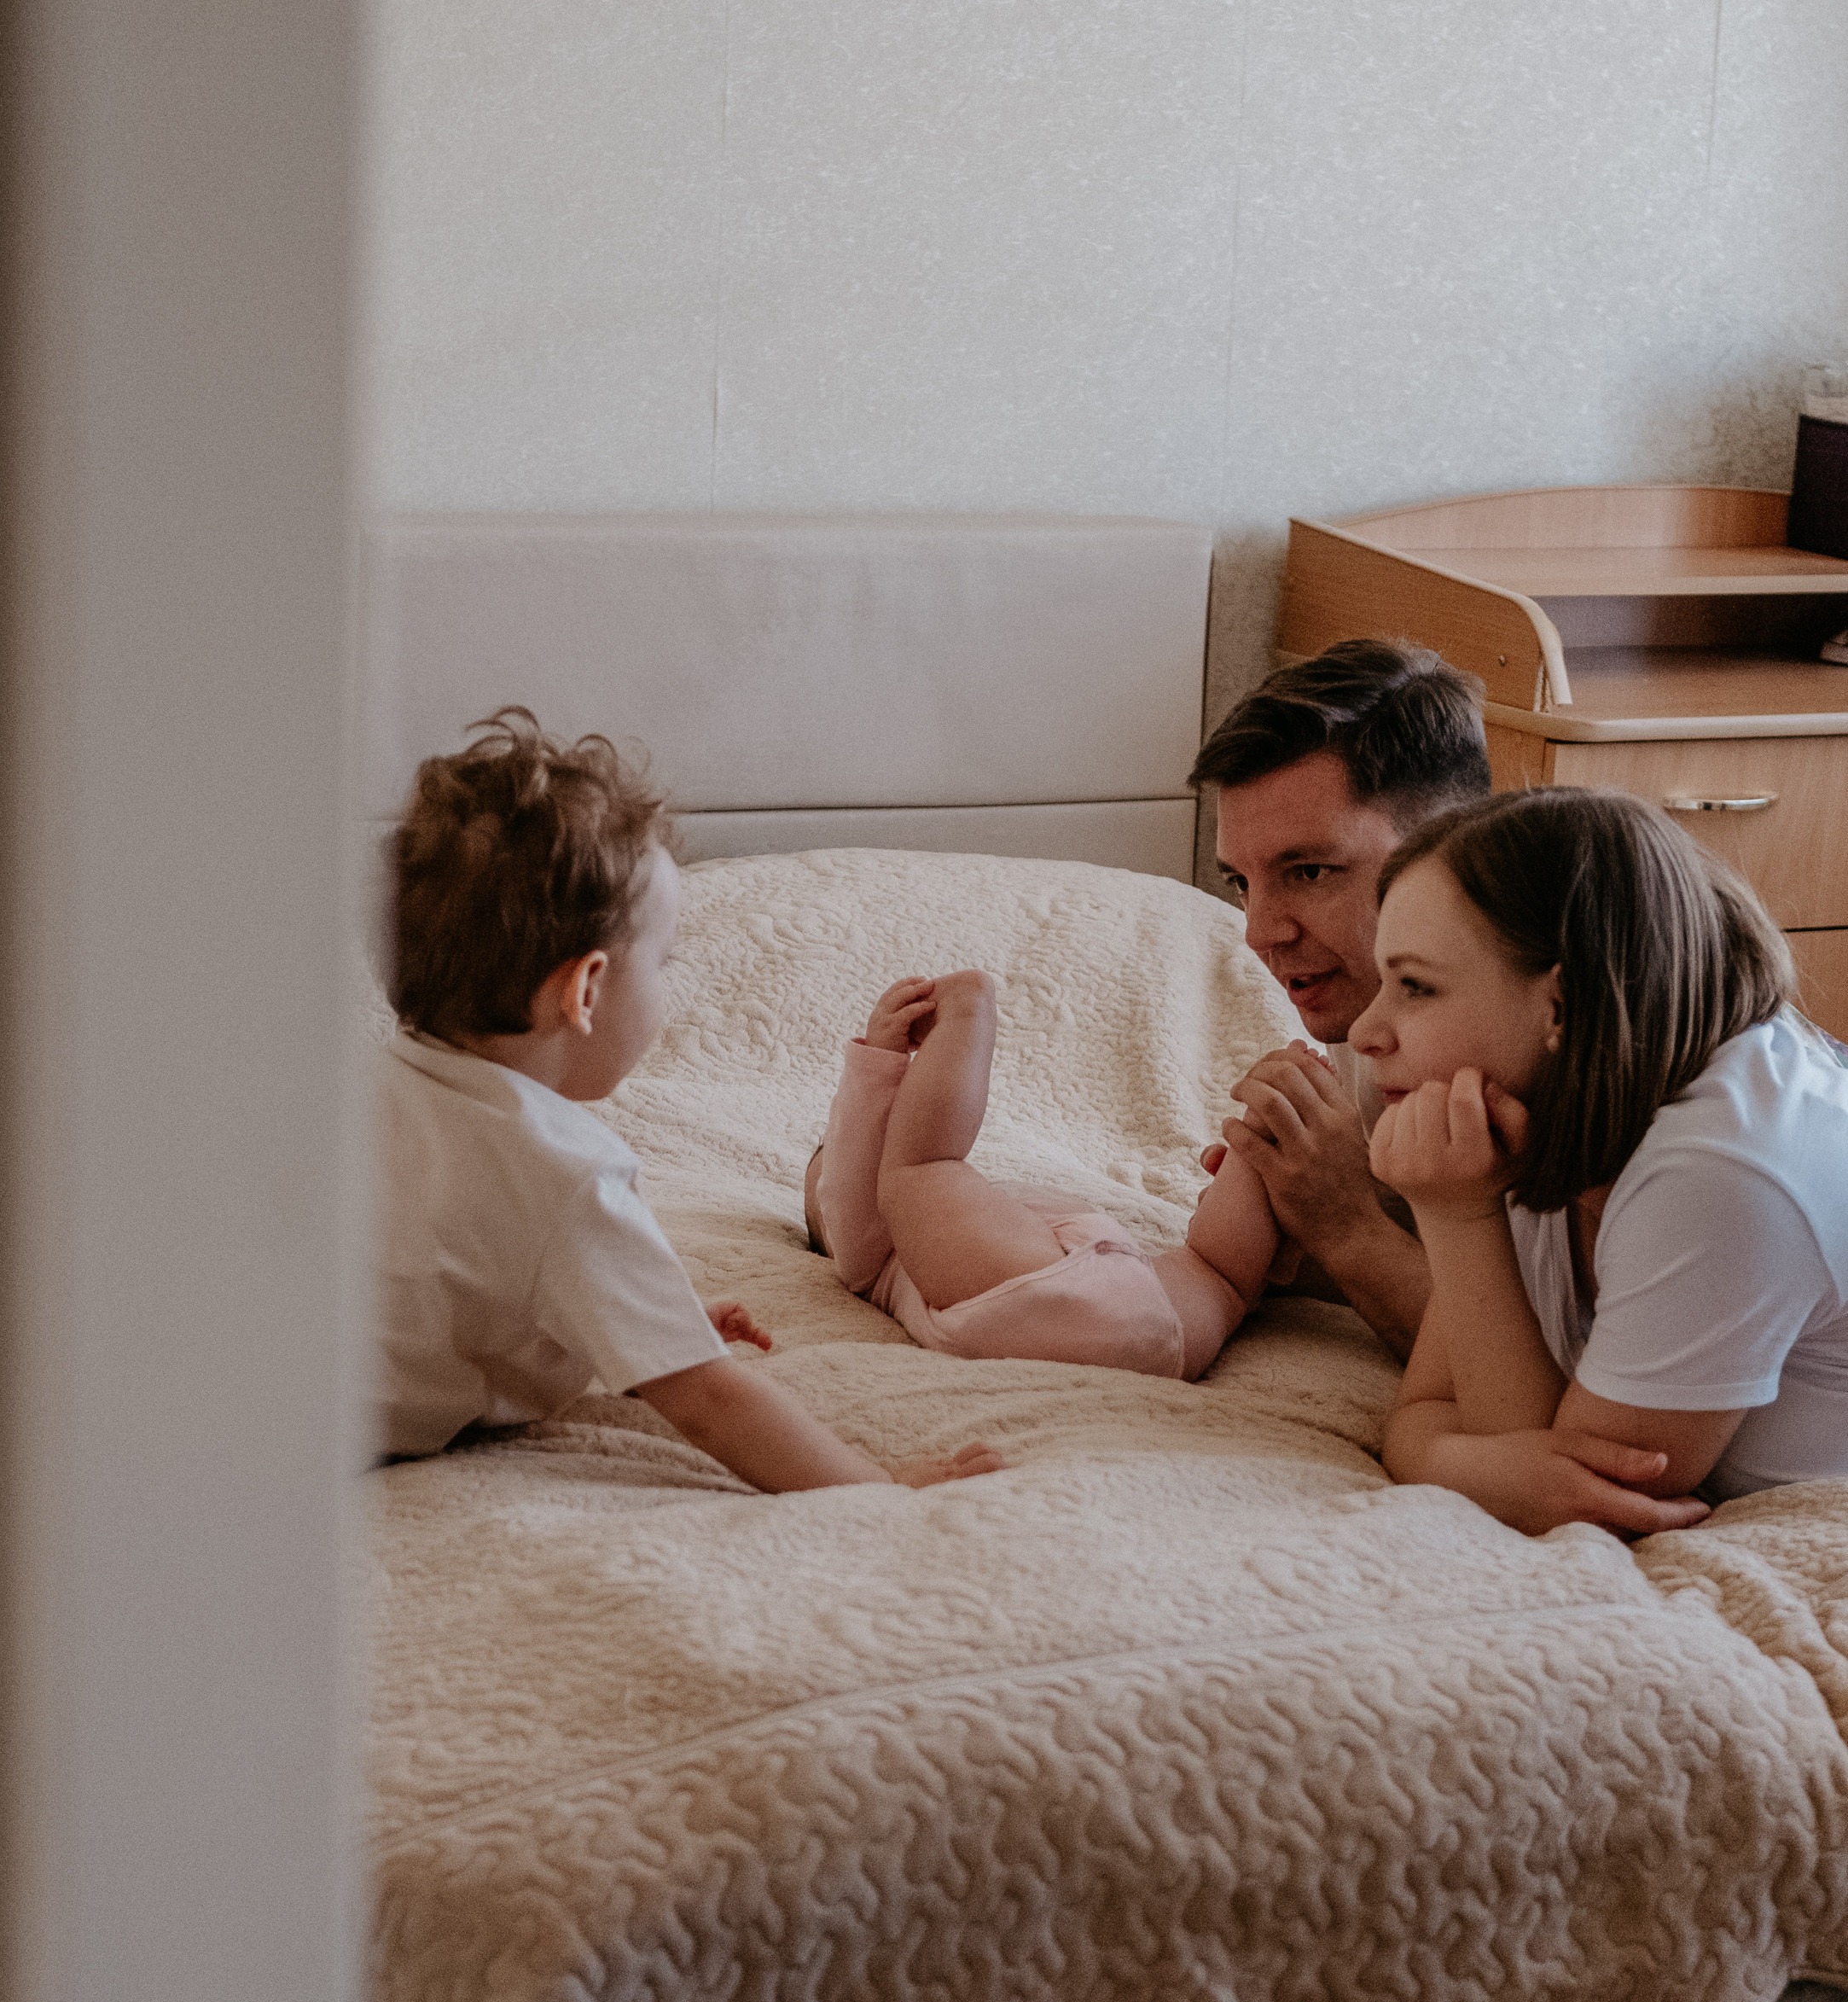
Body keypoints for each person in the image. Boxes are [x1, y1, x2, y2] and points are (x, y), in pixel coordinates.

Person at [375, 708, 997, 1491]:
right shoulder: (567, 1174)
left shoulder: (359, 1092)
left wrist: (637, 1324)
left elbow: (443, 1279)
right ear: (587, 990)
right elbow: (707, 1397)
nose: (668, 988)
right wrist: (878, 1487)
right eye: (663, 963)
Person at [1357, 786, 1848, 1532]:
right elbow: (1439, 1417)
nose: (1365, 1030)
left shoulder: (1719, 1171)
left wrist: (1454, 1218)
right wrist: (1427, 1450)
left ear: (1560, 1003)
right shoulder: (1546, 1103)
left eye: (1415, 986)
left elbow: (1584, 1499)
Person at [1188, 638, 1491, 1359]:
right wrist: (1288, 1237)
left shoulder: (1557, 1051)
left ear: (1453, 850)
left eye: (1312, 872)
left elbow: (1552, 1379)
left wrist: (1342, 1223)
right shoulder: (1372, 1023)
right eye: (1240, 882)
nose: (1258, 932)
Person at [805, 969, 1280, 1380]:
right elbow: (851, 1191)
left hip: (1139, 1322)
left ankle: (1274, 1131)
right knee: (920, 1165)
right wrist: (878, 1063)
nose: (867, 1152)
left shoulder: (954, 1237)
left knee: (1218, 1272)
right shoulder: (867, 1260)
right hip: (1133, 1319)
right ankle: (966, 1013)